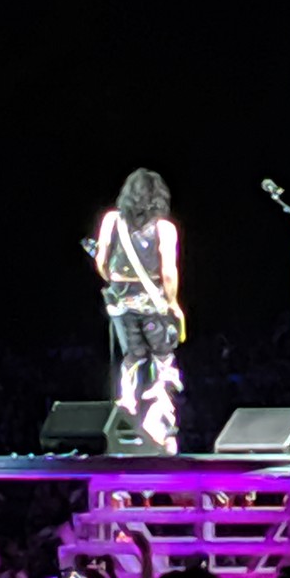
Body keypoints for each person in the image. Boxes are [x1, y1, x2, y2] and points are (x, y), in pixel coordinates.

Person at [91, 168, 185, 454]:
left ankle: (128, 415)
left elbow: (102, 261)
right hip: (153, 301)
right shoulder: (164, 228)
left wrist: (117, 281)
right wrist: (173, 304)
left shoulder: (111, 220)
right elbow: (168, 271)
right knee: (163, 358)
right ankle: (161, 427)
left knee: (133, 356)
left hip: (120, 301)